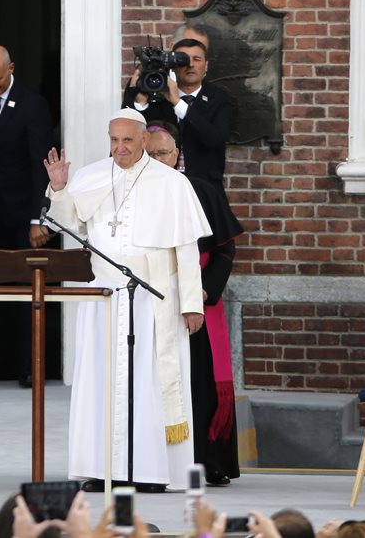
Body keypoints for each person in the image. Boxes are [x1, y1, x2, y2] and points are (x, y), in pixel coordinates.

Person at [44, 109, 208, 491]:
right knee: (102, 382)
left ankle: (151, 473)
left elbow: (186, 249)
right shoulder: (92, 177)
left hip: (153, 298)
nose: (119, 148)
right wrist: (60, 189)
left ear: (145, 141)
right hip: (102, 295)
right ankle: (102, 469)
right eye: (114, 140)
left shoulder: (172, 183)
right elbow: (68, 224)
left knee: (149, 384)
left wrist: (191, 304)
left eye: (128, 141)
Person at [144, 122, 240, 486]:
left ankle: (205, 458)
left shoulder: (200, 190)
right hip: (146, 302)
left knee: (200, 384)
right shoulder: (128, 194)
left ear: (177, 155)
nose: (156, 160)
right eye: (149, 153)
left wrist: (203, 290)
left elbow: (225, 250)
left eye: (162, 153)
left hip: (194, 299)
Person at [0, 43, 54, 385]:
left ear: (12, 68)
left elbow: (41, 164)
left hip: (22, 215)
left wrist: (38, 218)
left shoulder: (32, 105)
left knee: (24, 293)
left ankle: (28, 365)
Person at [122, 38, 234, 188]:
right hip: (158, 185)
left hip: (203, 187)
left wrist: (178, 103)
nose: (190, 65)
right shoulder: (155, 95)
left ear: (206, 65)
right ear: (173, 66)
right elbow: (128, 136)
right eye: (184, 60)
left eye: (197, 59)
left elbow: (214, 138)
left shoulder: (220, 99)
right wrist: (140, 103)